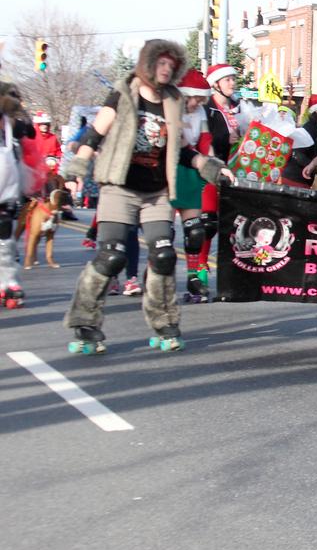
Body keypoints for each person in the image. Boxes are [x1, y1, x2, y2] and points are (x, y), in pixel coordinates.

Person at [61, 39, 233, 354]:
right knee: (111, 257)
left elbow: (181, 148)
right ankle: (85, 322)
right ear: (148, 65)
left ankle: (165, 322)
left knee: (164, 256)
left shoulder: (172, 100)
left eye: (171, 65)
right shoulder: (124, 94)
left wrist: (210, 167)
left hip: (156, 191)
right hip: (120, 186)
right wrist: (77, 168)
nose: (166, 70)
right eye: (161, 64)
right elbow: (95, 133)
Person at [197, 62, 249, 287]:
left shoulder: (237, 108)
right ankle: (199, 270)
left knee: (235, 226)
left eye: (232, 79)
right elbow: (202, 141)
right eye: (227, 79)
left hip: (234, 174)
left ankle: (235, 276)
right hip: (210, 173)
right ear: (215, 83)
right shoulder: (207, 108)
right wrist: (225, 139)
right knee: (208, 223)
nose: (232, 83)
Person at [172, 68, 216, 302]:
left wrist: (212, 165)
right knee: (164, 232)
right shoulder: (170, 109)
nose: (198, 103)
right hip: (170, 171)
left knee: (195, 231)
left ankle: (193, 277)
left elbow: (206, 143)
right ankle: (157, 276)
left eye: (201, 99)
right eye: (195, 98)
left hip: (191, 170)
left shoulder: (200, 113)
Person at [0, 82, 33, 309]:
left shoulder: (12, 123)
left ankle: (8, 281)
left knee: (5, 239)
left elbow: (30, 130)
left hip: (6, 189)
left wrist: (18, 111)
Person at [20, 110, 62, 195]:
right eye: (42, 124)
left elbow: (58, 152)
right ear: (38, 125)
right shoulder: (32, 136)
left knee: (55, 182)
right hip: (35, 167)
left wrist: (57, 159)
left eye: (46, 124)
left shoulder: (52, 138)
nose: (44, 126)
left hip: (50, 168)